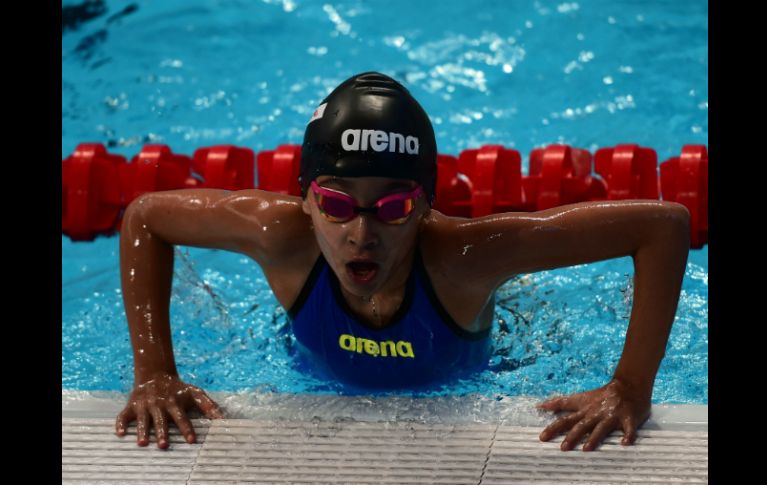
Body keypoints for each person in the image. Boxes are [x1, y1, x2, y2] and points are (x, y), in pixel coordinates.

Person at [115, 71, 691, 452]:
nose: (361, 235)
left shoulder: (466, 258)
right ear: (307, 200)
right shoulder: (279, 236)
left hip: (482, 365)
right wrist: (155, 374)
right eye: (338, 204)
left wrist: (630, 386)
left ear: (425, 206)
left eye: (393, 206)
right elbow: (144, 216)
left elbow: (663, 226)